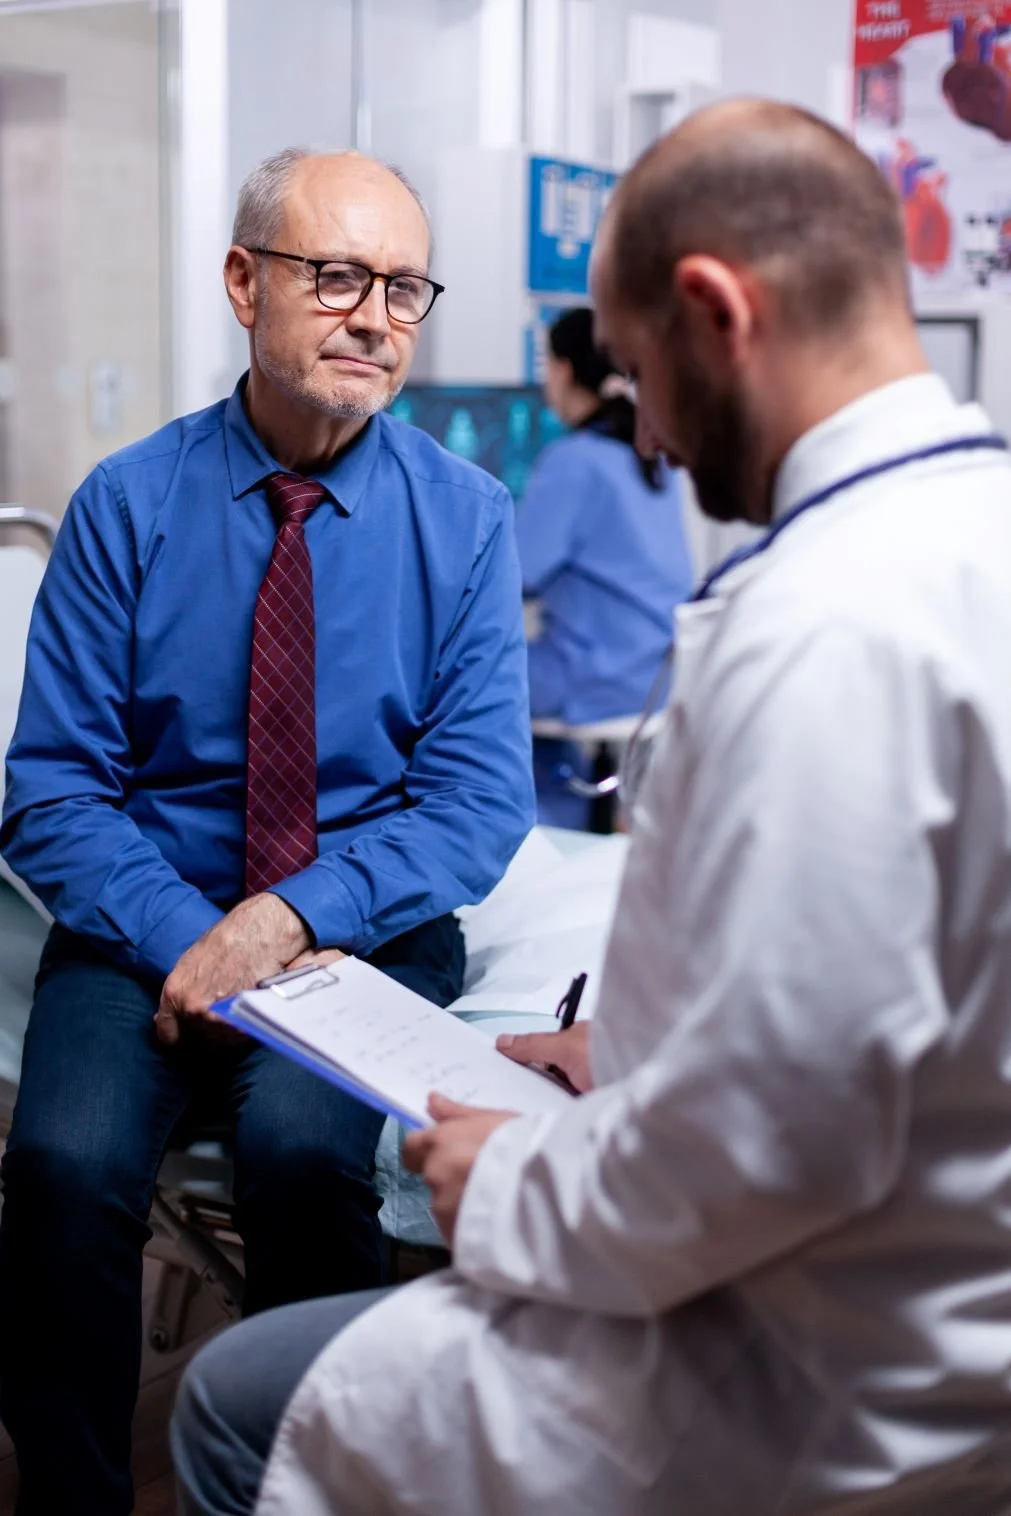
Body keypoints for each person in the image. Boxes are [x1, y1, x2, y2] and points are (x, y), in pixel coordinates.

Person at [174, 100, 1011, 1515]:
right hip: (950, 1321)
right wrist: (638, 1044)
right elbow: (882, 995)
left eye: (638, 370)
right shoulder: (967, 536)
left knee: (236, 1404)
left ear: (713, 313)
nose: (653, 434)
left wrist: (507, 1182)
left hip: (820, 1377)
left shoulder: (821, 633)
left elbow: (780, 1140)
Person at [0, 147, 533, 1516]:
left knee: (302, 1152)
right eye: (338, 277)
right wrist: (198, 937)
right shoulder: (128, 505)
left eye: (403, 288)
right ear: (245, 283)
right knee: (60, 1165)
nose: (376, 318)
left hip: (361, 927)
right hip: (150, 918)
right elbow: (52, 790)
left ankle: (316, 1486)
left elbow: (477, 800)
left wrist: (288, 917)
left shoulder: (466, 522)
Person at [517, 307, 693, 828]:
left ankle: (539, 831)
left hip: (595, 679)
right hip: (654, 678)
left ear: (563, 369)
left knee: (455, 679)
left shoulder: (575, 461)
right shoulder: (652, 457)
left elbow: (515, 573)